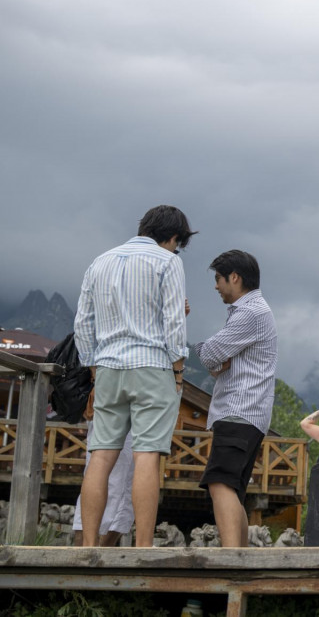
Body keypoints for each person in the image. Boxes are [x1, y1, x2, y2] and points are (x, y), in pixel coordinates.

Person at [74, 205, 196, 547]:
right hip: (152, 366)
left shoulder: (101, 260)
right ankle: (142, 547)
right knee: (147, 455)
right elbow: (174, 322)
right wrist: (178, 370)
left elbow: (83, 323)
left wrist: (94, 368)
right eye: (177, 243)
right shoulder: (168, 261)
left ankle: (87, 548)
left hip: (109, 367)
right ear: (173, 237)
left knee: (101, 456)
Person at [194, 250, 278, 547]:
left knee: (220, 483)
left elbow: (210, 353)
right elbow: (219, 357)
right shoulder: (256, 311)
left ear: (234, 277)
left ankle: (232, 560)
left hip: (238, 411)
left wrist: (208, 353)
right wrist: (218, 359)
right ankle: (240, 556)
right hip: (250, 414)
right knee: (233, 489)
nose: (216, 286)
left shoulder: (249, 313)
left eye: (218, 278)